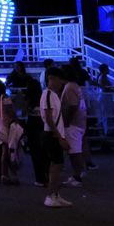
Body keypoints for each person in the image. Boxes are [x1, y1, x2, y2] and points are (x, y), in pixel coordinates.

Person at [40, 66, 73, 208]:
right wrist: (60, 137)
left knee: (57, 165)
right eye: (60, 79)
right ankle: (51, 195)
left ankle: (55, 194)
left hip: (53, 134)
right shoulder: (48, 94)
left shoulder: (52, 95)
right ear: (51, 78)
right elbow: (48, 118)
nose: (62, 83)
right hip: (52, 134)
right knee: (56, 165)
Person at [61, 70, 87, 187]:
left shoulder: (69, 87)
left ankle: (77, 175)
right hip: (80, 122)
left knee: (74, 151)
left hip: (73, 123)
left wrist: (66, 121)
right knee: (75, 150)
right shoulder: (75, 86)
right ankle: (77, 174)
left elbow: (72, 105)